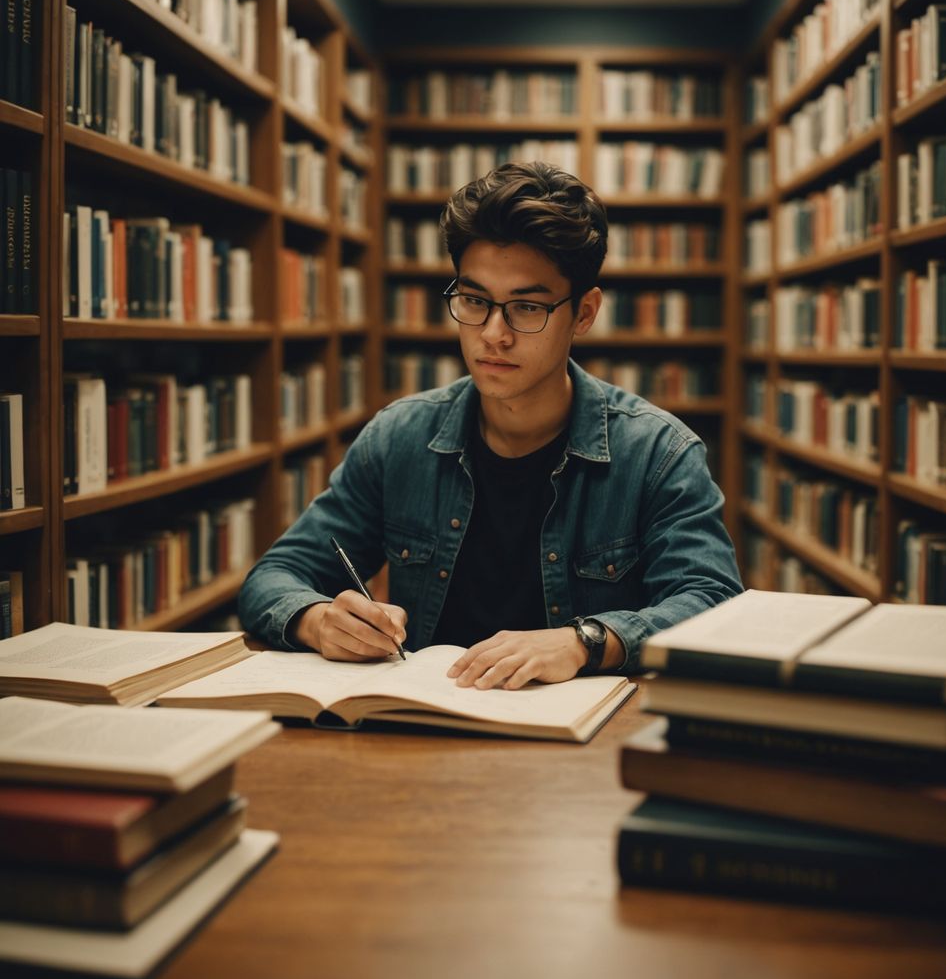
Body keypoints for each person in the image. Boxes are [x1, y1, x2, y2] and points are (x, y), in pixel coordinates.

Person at [239, 161, 743, 689]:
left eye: (526, 307)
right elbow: (273, 578)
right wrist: (319, 621)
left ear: (585, 313)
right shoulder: (398, 438)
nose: (493, 335)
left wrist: (585, 641)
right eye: (475, 301)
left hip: (582, 747)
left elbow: (714, 602)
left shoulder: (658, 452)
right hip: (423, 726)